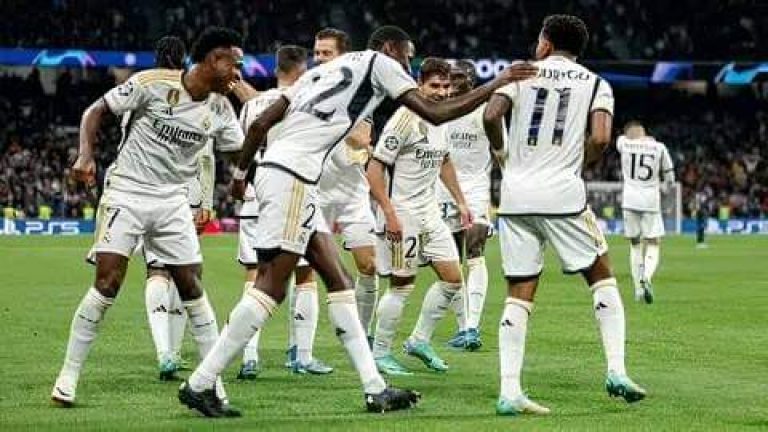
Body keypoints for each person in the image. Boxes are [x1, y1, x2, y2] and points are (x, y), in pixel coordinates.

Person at [179, 25, 538, 417]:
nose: (407, 64)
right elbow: (437, 113)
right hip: (295, 177)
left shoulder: (320, 73)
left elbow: (262, 122)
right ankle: (201, 382)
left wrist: (240, 175)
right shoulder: (381, 63)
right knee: (271, 286)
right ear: (389, 49)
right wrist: (497, 83)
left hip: (286, 175)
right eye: (407, 55)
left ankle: (375, 387)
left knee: (340, 281)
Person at [52, 28, 245, 417]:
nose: (237, 73)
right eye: (233, 64)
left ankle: (212, 387)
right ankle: (67, 376)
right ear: (213, 60)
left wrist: (259, 153)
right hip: (127, 190)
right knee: (108, 282)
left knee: (191, 286)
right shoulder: (151, 83)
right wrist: (86, 155)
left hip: (173, 200)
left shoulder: (221, 109)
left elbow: (239, 152)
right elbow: (95, 111)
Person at [483, 15, 646, 415]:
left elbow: (490, 115)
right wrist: (577, 164)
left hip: (515, 195)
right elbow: (602, 137)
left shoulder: (521, 73)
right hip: (562, 194)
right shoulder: (596, 83)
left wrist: (503, 155)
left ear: (545, 42)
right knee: (602, 275)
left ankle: (509, 390)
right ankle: (616, 370)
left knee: (519, 290)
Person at [235, 45, 334, 378]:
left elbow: (246, 143)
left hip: (254, 196)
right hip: (290, 195)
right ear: (303, 71)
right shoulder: (304, 102)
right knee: (305, 275)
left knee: (255, 275)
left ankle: (249, 356)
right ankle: (302, 356)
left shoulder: (251, 105)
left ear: (276, 69)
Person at [368, 57, 471, 376]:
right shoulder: (404, 119)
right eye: (434, 86)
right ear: (419, 85)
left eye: (446, 86)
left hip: (430, 212)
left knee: (453, 279)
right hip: (403, 214)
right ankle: (380, 353)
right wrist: (389, 213)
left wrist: (461, 201)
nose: (441, 92)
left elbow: (444, 161)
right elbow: (374, 168)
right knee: (401, 285)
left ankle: (419, 341)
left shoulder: (442, 119)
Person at [314, 27, 380, 345]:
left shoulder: (360, 95)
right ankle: (300, 349)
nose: (319, 59)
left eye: (326, 53)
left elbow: (361, 139)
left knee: (369, 265)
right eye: (317, 53)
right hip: (316, 191)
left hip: (352, 192)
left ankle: (362, 334)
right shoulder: (308, 88)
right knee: (303, 273)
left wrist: (333, 112)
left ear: (343, 57)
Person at [438, 60, 494, 351]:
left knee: (475, 248)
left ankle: (472, 327)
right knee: (450, 260)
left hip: (475, 188)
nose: (453, 81)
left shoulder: (487, 110)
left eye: (459, 76)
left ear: (472, 79)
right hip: (443, 189)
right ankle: (462, 327)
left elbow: (501, 149)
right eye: (450, 77)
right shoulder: (439, 108)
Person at [616, 121, 675, 303]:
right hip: (650, 200)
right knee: (654, 242)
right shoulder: (659, 147)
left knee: (635, 245)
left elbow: (624, 137)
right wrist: (666, 191)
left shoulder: (623, 144)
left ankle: (638, 290)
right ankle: (647, 277)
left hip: (629, 200)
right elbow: (670, 177)